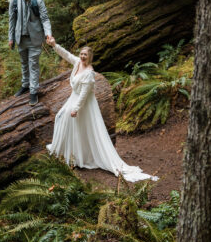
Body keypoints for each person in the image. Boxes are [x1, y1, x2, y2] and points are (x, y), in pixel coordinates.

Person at [46, 39, 158, 182]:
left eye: (85, 55)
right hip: (73, 98)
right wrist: (54, 45)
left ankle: (76, 158)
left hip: (84, 103)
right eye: (81, 54)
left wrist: (76, 109)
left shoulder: (89, 74)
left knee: (74, 124)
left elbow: (84, 95)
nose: (82, 56)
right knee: (60, 118)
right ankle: (64, 152)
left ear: (90, 57)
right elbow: (67, 55)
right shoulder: (77, 63)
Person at [8, 0, 53, 105]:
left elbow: (45, 19)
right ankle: (25, 85)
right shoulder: (14, 1)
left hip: (35, 39)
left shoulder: (39, 0)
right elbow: (12, 20)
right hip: (20, 38)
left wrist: (48, 34)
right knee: (24, 63)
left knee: (33, 64)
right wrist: (10, 38)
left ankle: (33, 92)